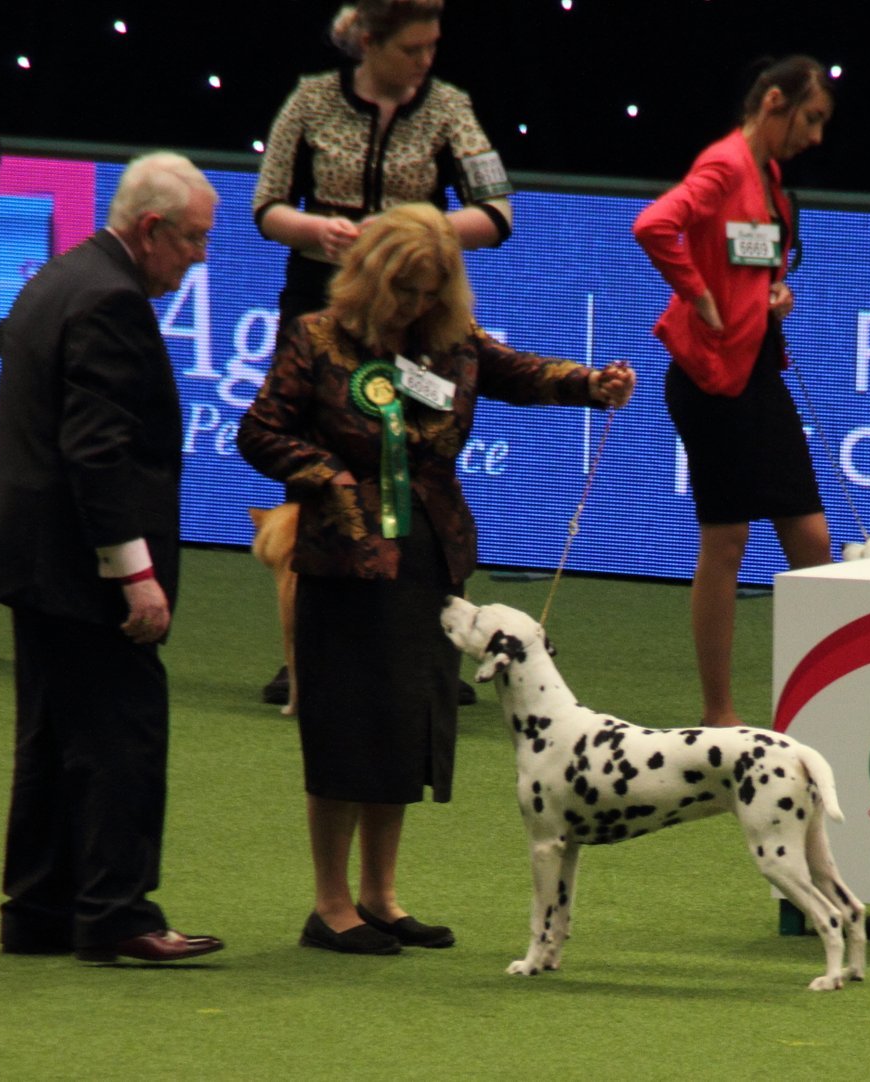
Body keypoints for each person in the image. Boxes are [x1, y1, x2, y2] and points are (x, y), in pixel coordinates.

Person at [237, 204, 634, 954]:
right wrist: (329, 476)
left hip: (427, 557)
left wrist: (592, 384)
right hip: (346, 558)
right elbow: (259, 432)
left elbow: (519, 372)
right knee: (345, 727)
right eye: (408, 292)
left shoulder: (452, 342)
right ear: (376, 280)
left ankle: (381, 896)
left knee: (403, 725)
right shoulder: (316, 340)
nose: (419, 306)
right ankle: (330, 905)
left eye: (432, 291)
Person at [0, 152, 224, 964]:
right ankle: (118, 915)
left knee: (49, 734)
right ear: (151, 229)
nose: (200, 258)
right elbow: (97, 453)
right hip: (81, 562)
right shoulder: (112, 301)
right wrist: (135, 575)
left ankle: (38, 910)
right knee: (122, 735)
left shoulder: (61, 275)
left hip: (29, 553)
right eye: (192, 240)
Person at [251, 0, 514, 706]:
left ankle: (431, 650)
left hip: (416, 315)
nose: (426, 61)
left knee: (421, 468)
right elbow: (267, 205)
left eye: (433, 47)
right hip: (321, 302)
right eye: (412, 48)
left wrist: (413, 231)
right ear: (368, 42)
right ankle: (305, 650)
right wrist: (316, 227)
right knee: (315, 475)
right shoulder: (309, 100)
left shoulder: (450, 108)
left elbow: (497, 212)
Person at [631, 56, 835, 729]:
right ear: (774, 102)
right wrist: (697, 293)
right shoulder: (723, 166)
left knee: (811, 535)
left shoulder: (770, 178)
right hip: (708, 381)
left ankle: (824, 700)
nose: (816, 136)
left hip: (757, 373)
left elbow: (749, 259)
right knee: (727, 542)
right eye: (810, 119)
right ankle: (719, 712)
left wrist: (769, 296)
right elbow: (654, 226)